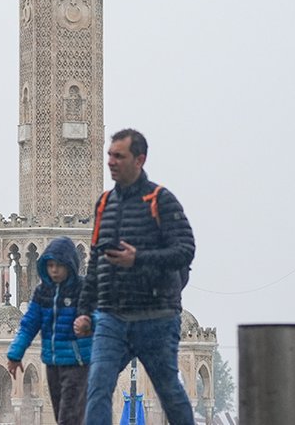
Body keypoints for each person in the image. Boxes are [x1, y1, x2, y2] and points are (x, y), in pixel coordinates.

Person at [73, 129, 196, 425]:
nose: (111, 162)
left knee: (169, 391)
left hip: (156, 317)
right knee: (97, 386)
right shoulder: (104, 204)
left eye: (119, 156)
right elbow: (95, 263)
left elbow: (185, 251)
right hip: (112, 317)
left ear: (139, 160)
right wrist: (84, 311)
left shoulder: (160, 200)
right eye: (109, 155)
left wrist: (138, 258)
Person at [6, 236, 92, 425]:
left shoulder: (83, 289)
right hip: (53, 363)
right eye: (50, 265)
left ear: (69, 265)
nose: (54, 270)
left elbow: (101, 315)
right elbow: (29, 324)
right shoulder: (43, 292)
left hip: (78, 363)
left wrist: (88, 323)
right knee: (61, 413)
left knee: (68, 417)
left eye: (59, 265)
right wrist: (15, 354)